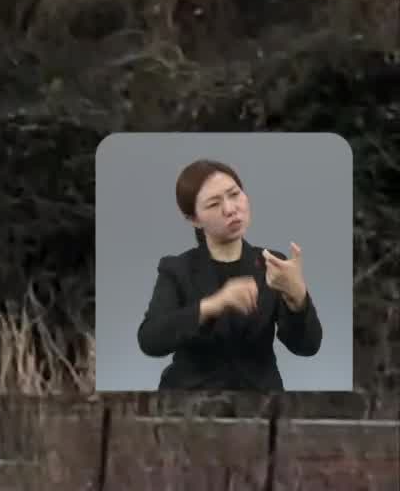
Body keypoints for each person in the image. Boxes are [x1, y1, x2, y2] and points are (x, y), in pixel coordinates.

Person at [135, 158, 322, 390]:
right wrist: (213, 305)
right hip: (189, 403)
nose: (230, 209)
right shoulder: (177, 269)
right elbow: (150, 340)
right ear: (193, 219)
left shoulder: (271, 264)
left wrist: (298, 297)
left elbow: (307, 346)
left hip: (260, 403)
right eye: (214, 204)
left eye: (234, 194)